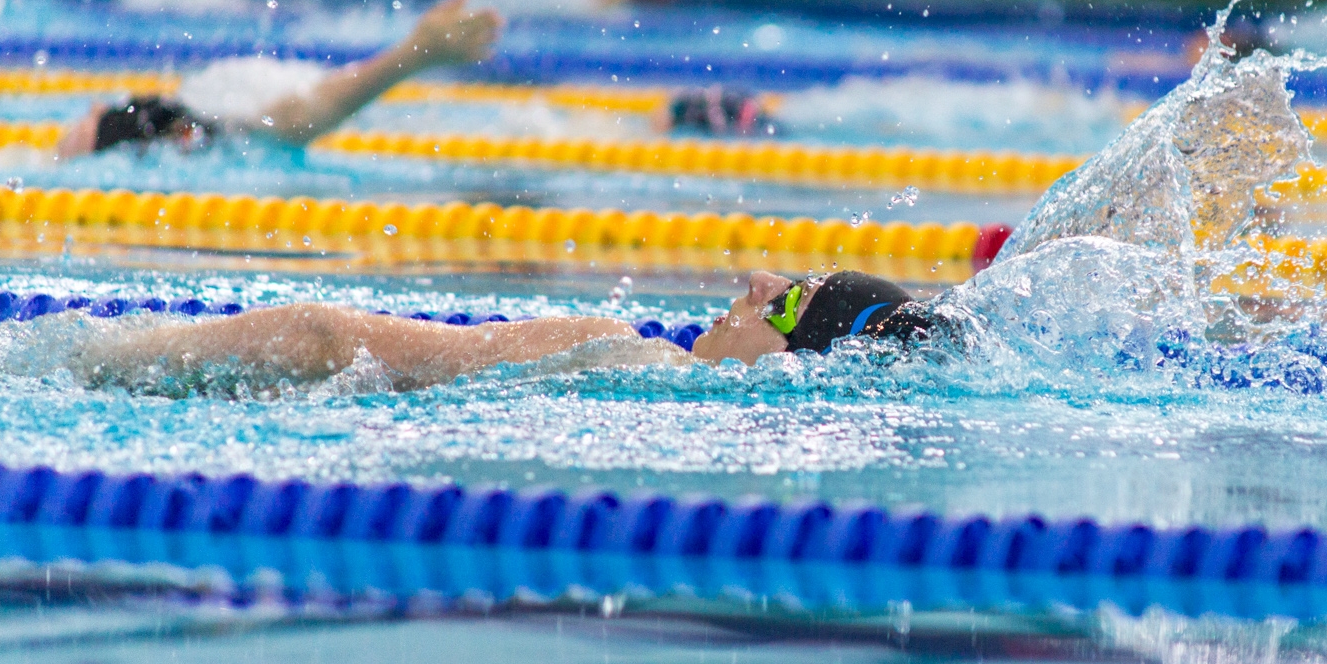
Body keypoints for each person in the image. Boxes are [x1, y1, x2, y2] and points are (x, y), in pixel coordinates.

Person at [72, 269, 943, 393]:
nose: (755, 282)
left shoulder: (632, 351)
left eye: (786, 302)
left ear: (799, 359)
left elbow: (329, 340)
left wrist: (88, 361)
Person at [54, 0, 506, 158]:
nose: (93, 106)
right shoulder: (236, 125)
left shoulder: (218, 113)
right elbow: (300, 115)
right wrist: (411, 56)